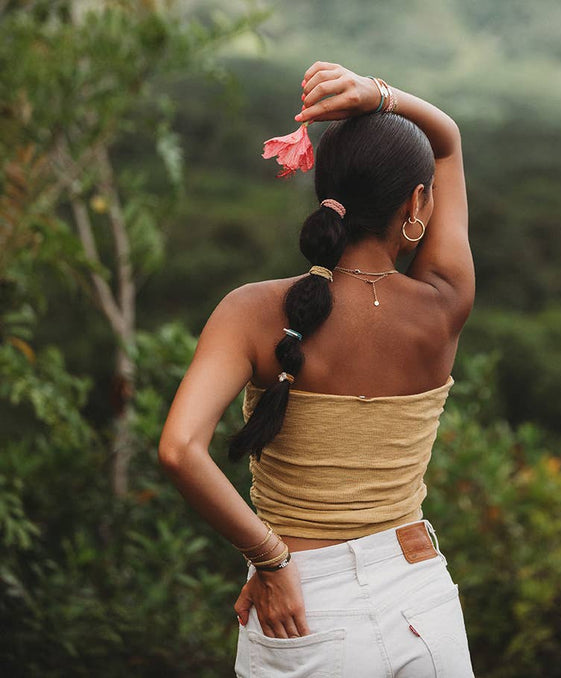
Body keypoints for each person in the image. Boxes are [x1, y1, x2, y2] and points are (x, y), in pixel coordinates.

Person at [158, 61, 475, 677]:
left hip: (302, 611)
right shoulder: (444, 304)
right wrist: (380, 93)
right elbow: (449, 141)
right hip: (423, 599)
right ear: (416, 204)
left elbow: (178, 449)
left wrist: (270, 562)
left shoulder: (252, 311)